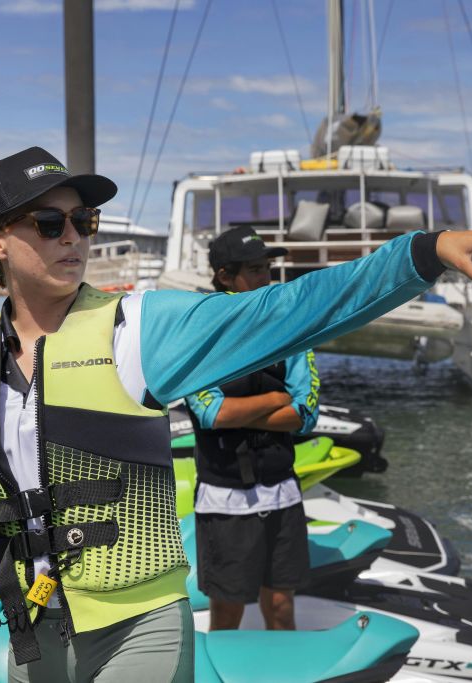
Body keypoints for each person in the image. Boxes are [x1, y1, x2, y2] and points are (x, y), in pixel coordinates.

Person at [0, 145, 472, 682]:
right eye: (50, 224)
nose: (73, 237)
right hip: (29, 635)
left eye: (85, 221)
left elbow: (287, 311)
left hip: (139, 628)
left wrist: (421, 254)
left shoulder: (138, 328)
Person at [184, 227, 317, 631]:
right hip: (224, 498)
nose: (266, 278)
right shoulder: (201, 334)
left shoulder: (290, 329)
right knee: (227, 612)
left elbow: (306, 412)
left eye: (268, 268)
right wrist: (276, 401)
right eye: (255, 270)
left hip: (282, 491)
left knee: (280, 607)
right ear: (225, 276)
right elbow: (209, 413)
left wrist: (242, 411)